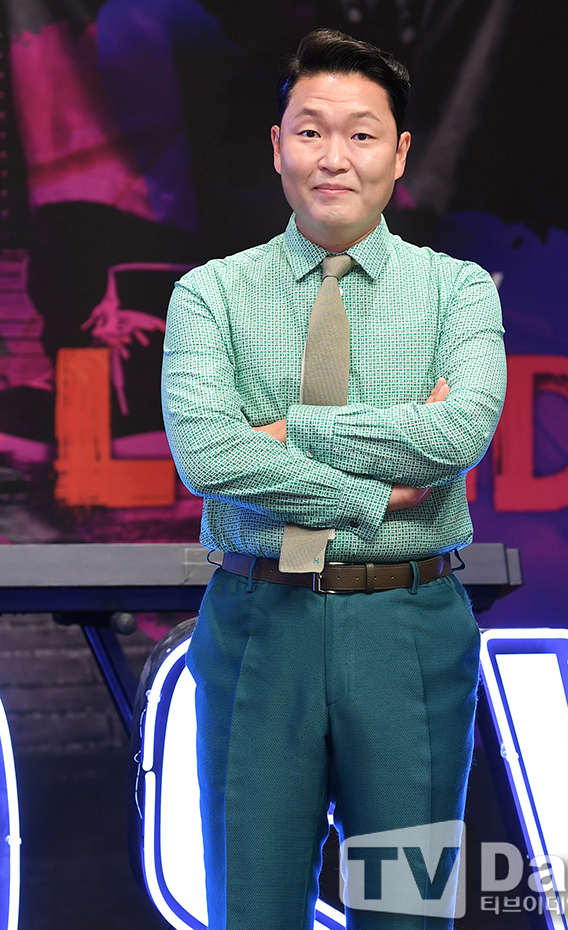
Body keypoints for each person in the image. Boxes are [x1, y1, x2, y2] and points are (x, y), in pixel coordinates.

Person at [162, 28, 506, 930]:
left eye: (361, 133)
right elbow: (208, 454)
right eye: (311, 131)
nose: (334, 156)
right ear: (278, 145)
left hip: (408, 630)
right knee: (254, 907)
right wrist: (372, 493)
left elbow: (457, 434)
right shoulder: (210, 294)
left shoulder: (460, 291)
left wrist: (292, 433)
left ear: (399, 152)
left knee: (406, 908)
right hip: (258, 626)